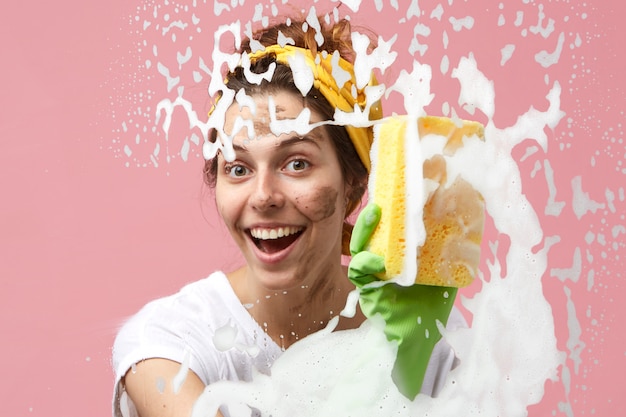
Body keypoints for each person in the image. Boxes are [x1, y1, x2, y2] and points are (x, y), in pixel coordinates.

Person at [112, 16, 465, 417]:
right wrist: (396, 374)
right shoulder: (168, 345)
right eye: (239, 168)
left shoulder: (432, 339)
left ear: (353, 181)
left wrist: (408, 353)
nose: (263, 197)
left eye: (296, 163)